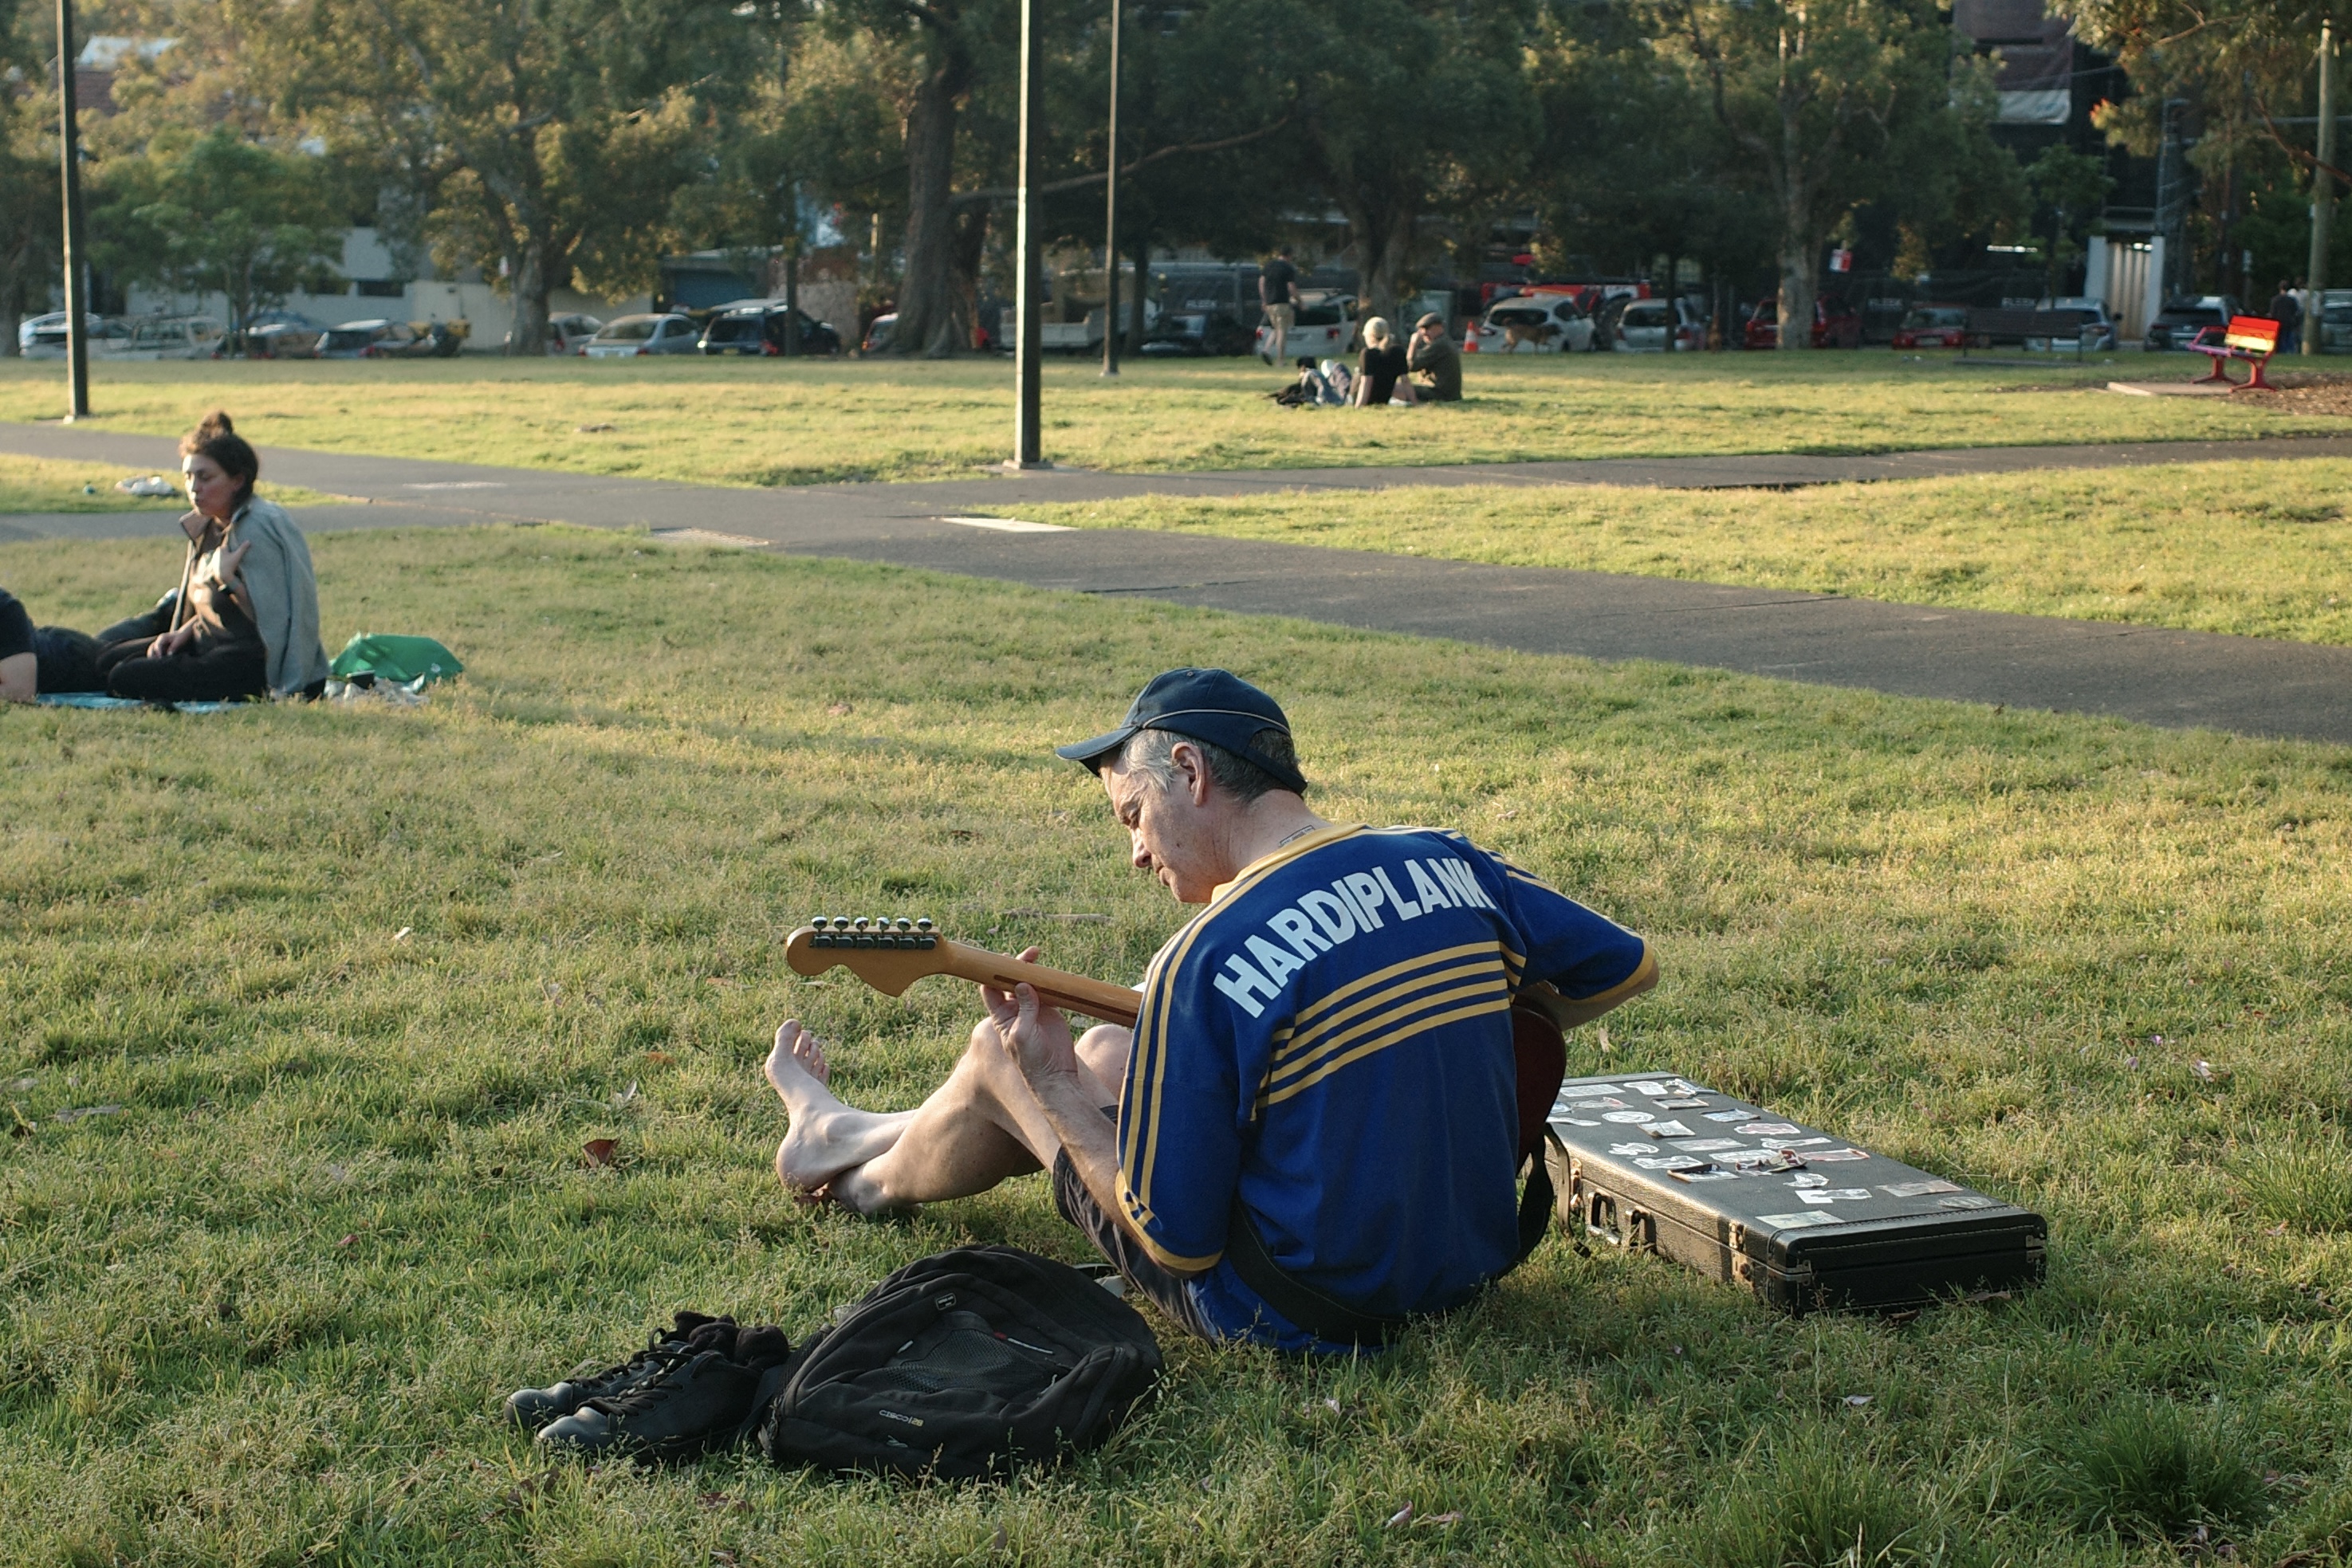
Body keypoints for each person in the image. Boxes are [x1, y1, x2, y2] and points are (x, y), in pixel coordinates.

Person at [761, 668, 1658, 1353]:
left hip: (1302, 1310)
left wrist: (1051, 1082)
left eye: (1131, 813)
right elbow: (1626, 970)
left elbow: (1178, 1243)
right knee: (1113, 1045)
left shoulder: (1207, 956)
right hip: (1462, 1264)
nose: (1135, 853)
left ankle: (858, 1172)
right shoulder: (1451, 859)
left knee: (1010, 1059)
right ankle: (847, 1133)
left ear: (1187, 769)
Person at [1351, 316, 1414, 406]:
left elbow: (1366, 382)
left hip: (1356, 397)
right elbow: (1405, 381)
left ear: (1369, 336)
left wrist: (1359, 406)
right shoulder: (1397, 352)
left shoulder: (1368, 354)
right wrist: (1415, 403)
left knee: (1335, 368)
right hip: (1383, 399)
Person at [1406, 312, 1462, 402]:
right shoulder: (1445, 342)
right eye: (1421, 329)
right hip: (1450, 394)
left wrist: (1413, 344)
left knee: (1394, 388)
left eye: (1427, 328)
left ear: (1440, 327)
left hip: (1439, 394)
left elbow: (1411, 366)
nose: (1424, 333)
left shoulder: (1439, 345)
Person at [1259, 246, 1300, 363]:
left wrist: (1264, 300)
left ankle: (1266, 349)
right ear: (1289, 255)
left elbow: (1261, 282)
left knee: (1276, 329)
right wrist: (1299, 301)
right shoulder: (1287, 268)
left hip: (1270, 304)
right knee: (1282, 332)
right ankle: (1280, 360)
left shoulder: (1269, 266)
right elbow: (1291, 287)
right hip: (1282, 302)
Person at [2268, 280, 2303, 354]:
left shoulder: (2275, 300)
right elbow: (2296, 311)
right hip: (2289, 323)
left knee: (2280, 341)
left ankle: (2281, 352)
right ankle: (2290, 352)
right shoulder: (2292, 300)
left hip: (2278, 323)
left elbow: (2272, 313)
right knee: (2289, 340)